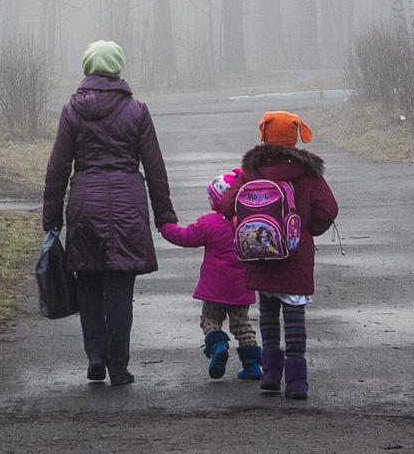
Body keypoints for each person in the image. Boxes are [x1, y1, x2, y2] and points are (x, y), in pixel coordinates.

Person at [42, 40, 176, 386]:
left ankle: (95, 354)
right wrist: (165, 216)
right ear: (118, 69)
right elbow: (155, 166)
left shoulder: (72, 111)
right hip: (127, 204)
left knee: (87, 281)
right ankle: (119, 366)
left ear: (87, 68)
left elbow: (58, 168)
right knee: (119, 287)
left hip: (85, 204)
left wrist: (52, 219)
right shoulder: (137, 110)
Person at [231, 111, 338, 400]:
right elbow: (328, 208)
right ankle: (297, 382)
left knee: (267, 314)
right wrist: (306, 231)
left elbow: (230, 204)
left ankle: (270, 374)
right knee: (294, 317)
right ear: (295, 136)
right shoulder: (308, 173)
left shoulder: (253, 171)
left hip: (260, 253)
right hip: (295, 254)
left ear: (264, 135)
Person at [160, 170, 265, 381]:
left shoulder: (210, 223)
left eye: (210, 197)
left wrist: (165, 227)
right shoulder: (248, 225)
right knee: (243, 325)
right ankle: (252, 365)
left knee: (210, 319)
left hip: (214, 289)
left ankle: (217, 345)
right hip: (241, 287)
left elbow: (185, 237)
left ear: (218, 201)